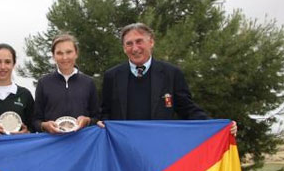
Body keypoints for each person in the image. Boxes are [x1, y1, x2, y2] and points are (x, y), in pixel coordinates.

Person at [99, 22, 237, 134]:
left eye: (139, 41)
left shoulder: (172, 73)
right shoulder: (112, 76)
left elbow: (187, 109)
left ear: (151, 42)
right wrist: (100, 122)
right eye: (129, 44)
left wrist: (219, 126)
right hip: (123, 150)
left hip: (160, 150)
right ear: (124, 48)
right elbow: (104, 113)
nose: (135, 48)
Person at [33, 33, 99, 133]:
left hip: (81, 144)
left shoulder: (88, 83)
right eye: (59, 53)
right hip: (52, 144)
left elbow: (97, 118)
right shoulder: (43, 83)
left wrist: (88, 121)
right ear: (53, 56)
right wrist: (44, 125)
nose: (64, 57)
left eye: (69, 52)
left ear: (76, 53)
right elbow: (35, 121)